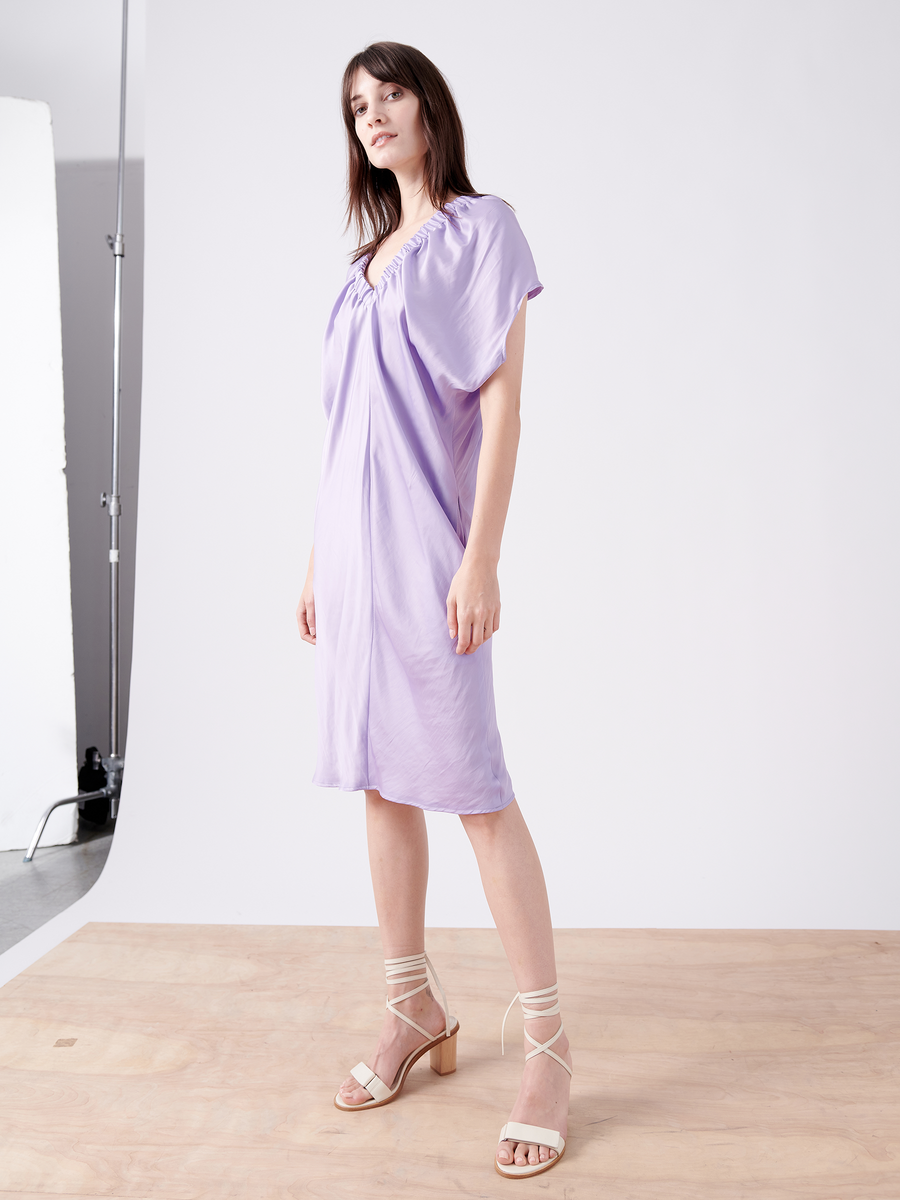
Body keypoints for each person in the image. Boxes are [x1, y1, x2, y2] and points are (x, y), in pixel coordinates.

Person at [296, 41, 572, 1180]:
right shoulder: (361, 266)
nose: (374, 115)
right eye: (356, 105)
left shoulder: (480, 231)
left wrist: (482, 557)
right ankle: (413, 1009)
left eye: (391, 93)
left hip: (433, 555)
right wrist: (316, 559)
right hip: (353, 566)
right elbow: (338, 437)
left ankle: (549, 1044)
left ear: (429, 105)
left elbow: (502, 409)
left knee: (474, 789)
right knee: (381, 778)